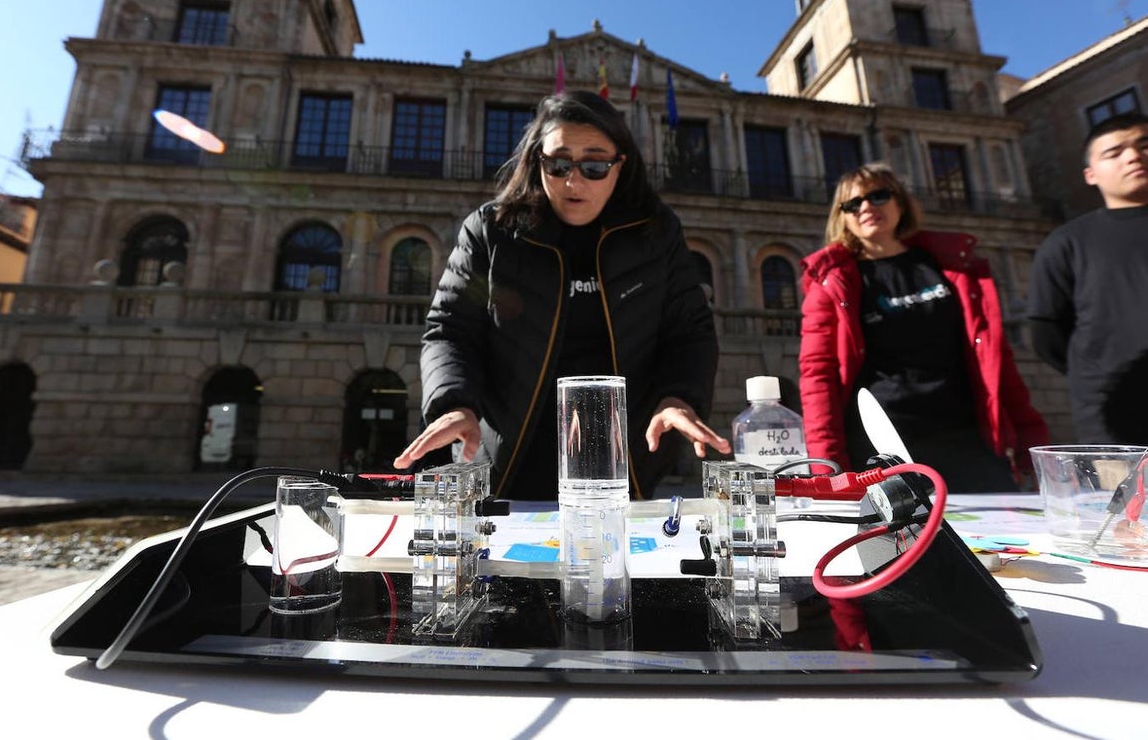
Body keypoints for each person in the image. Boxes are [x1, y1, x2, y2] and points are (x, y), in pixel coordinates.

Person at [393, 90, 730, 500]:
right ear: (537, 162)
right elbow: (450, 330)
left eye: (593, 164)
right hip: (506, 468)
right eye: (558, 164)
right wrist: (455, 404)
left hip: (626, 473)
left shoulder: (656, 234)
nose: (574, 181)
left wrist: (678, 396)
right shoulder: (490, 231)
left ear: (620, 165)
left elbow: (689, 331)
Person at [798, 163, 1049, 492]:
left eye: (878, 196)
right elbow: (818, 376)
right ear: (841, 216)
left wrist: (1033, 446)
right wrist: (827, 468)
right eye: (853, 203)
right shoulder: (834, 282)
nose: (867, 207)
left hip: (968, 437)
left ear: (900, 203)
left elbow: (994, 357)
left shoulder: (953, 268)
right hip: (882, 445)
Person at [1027, 112, 1148, 444]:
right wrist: (1098, 372)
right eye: (1115, 152)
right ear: (1090, 174)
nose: (1134, 156)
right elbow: (1046, 333)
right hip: (1116, 424)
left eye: (1144, 145)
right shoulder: (1065, 243)